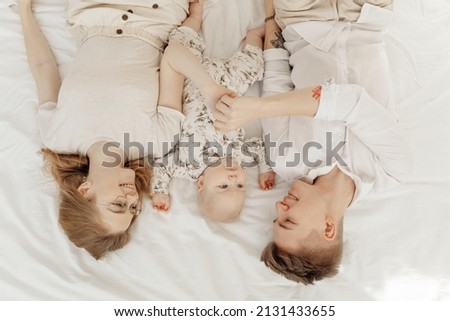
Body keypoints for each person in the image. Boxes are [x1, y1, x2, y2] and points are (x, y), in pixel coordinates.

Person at [213, 0, 412, 284]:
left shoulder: (285, 161)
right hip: (368, 14)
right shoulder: (392, 170)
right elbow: (351, 101)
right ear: (328, 228)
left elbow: (277, 78)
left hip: (301, 19)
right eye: (289, 221)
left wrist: (271, 16)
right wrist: (254, 109)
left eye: (275, 219)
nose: (279, 208)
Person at [18, 0, 193, 259]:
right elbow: (173, 59)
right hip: (156, 15)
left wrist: (24, 12)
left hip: (90, 11)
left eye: (118, 205)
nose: (132, 197)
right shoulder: (158, 141)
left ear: (85, 190)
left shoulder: (57, 136)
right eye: (133, 208)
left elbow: (43, 69)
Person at [150, 0, 276, 221]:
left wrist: (160, 191)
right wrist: (265, 170)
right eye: (240, 185)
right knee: (255, 66)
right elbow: (259, 148)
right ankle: (254, 37)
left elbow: (161, 167)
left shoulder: (188, 166)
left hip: (194, 79)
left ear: (201, 183)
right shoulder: (239, 156)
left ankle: (195, 18)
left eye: (224, 185)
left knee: (181, 41)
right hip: (231, 85)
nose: (234, 176)